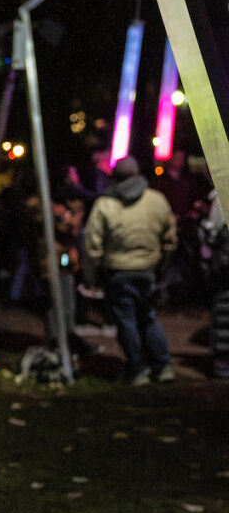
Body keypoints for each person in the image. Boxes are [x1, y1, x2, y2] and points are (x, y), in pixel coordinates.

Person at [82, 156, 178, 385]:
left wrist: (91, 277)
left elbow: (92, 245)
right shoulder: (156, 200)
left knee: (126, 320)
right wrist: (162, 267)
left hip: (118, 270)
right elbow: (170, 240)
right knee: (148, 316)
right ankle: (163, 366)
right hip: (148, 269)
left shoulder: (105, 204)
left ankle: (137, 369)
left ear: (115, 177)